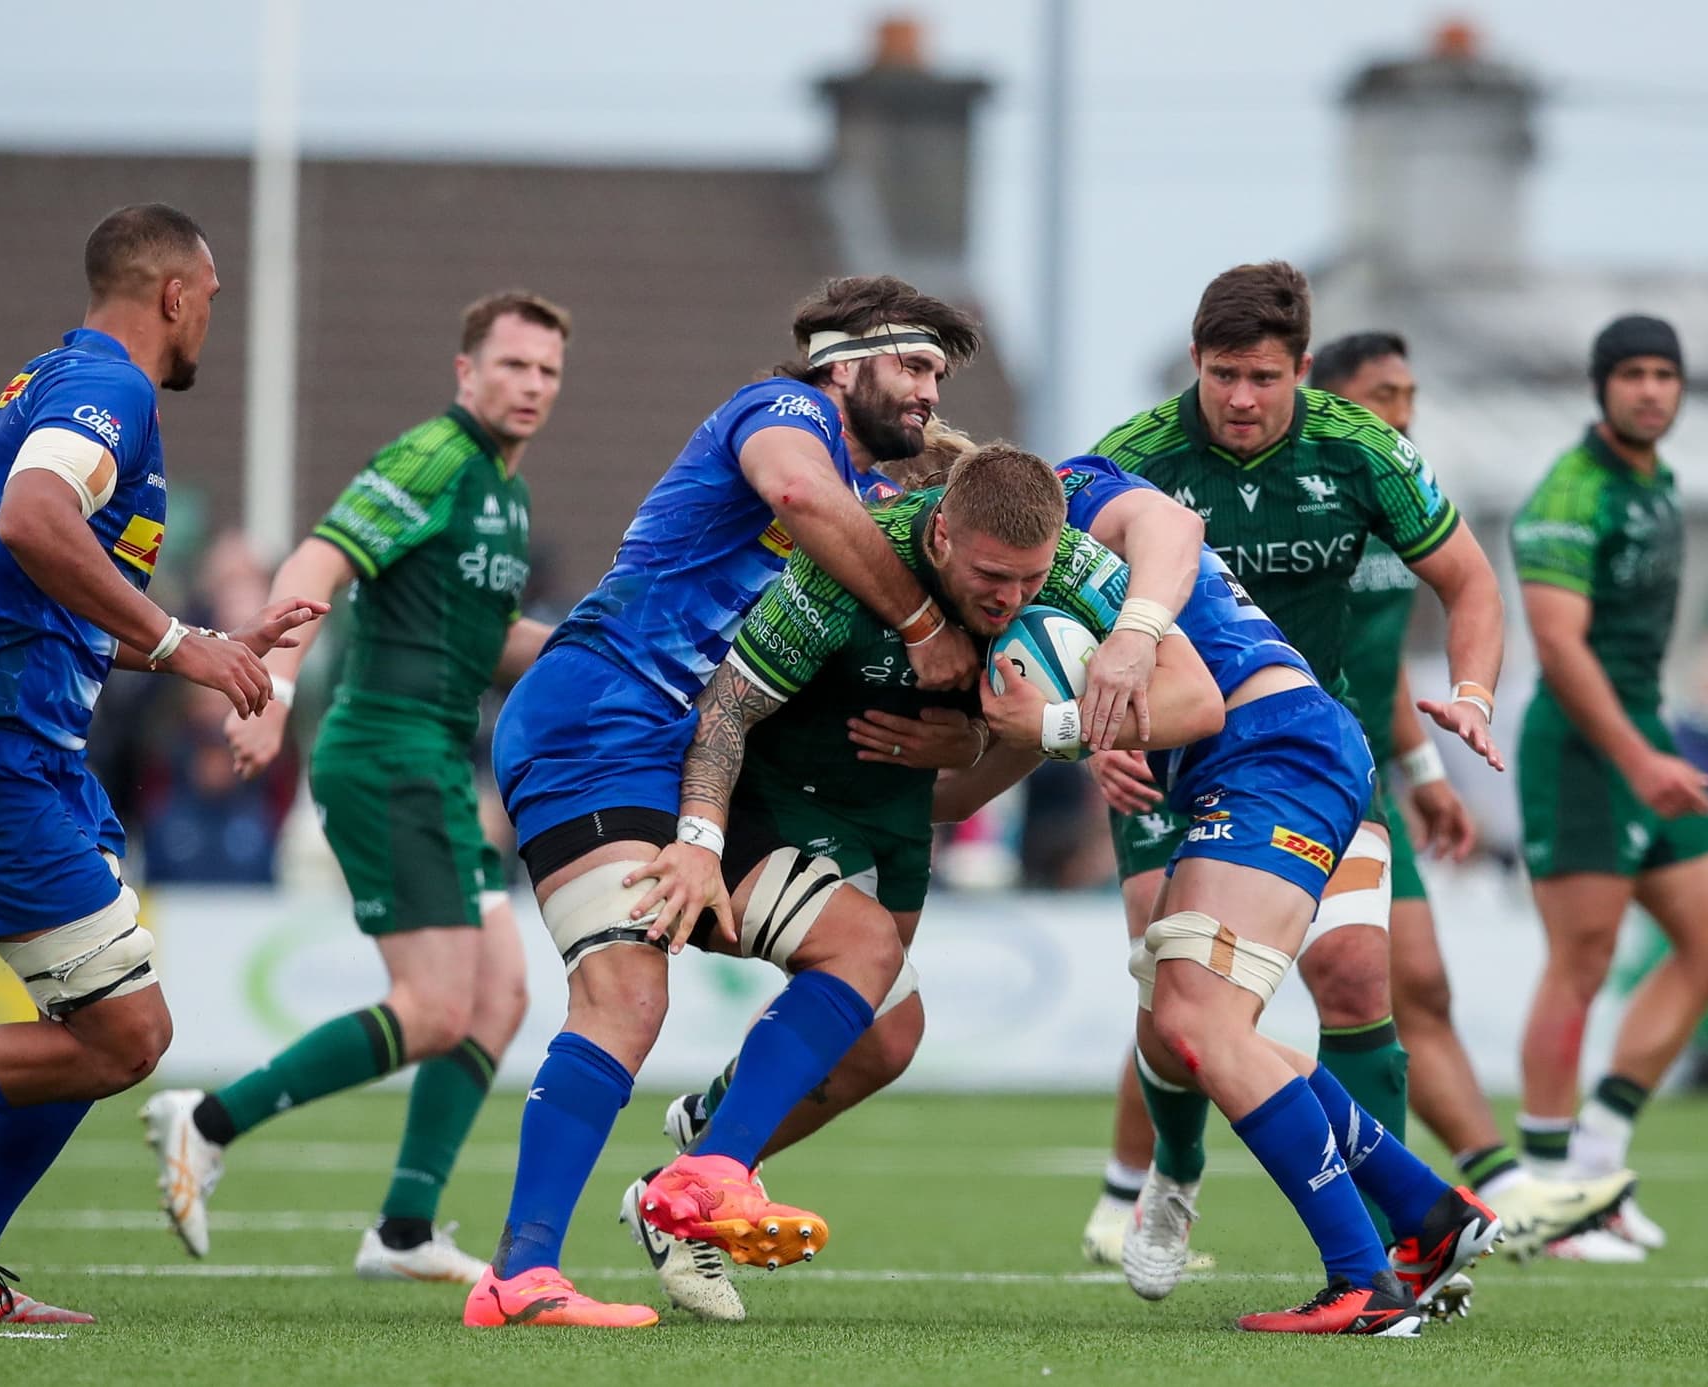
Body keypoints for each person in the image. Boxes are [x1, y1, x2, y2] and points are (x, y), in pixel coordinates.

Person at [461, 275, 1003, 1330]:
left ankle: (704, 1173)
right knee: (628, 998)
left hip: (682, 759)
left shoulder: (877, 498)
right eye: (917, 365)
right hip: (596, 724)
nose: (932, 392)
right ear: (845, 363)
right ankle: (519, 1276)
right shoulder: (783, 413)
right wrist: (929, 632)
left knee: (867, 959)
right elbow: (801, 498)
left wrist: (992, 720)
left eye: (941, 373)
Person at [621, 440, 1224, 1321]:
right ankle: (704, 1194)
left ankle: (678, 1175)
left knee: (886, 1042)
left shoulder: (1074, 568)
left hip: (899, 812)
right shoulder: (845, 569)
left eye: (1030, 580)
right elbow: (728, 709)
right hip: (782, 798)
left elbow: (1197, 702)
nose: (1012, 600)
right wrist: (702, 840)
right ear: (940, 532)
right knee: (864, 971)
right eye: (992, 577)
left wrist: (1041, 725)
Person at [1080, 264, 1504, 1284]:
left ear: (1303, 370)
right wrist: (1103, 734)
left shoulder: (1365, 451)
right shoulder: (1131, 459)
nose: (1239, 397)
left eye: (1262, 377)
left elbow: (1470, 579)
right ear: (1195, 363)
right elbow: (1064, 606)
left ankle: (1398, 1249)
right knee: (1176, 1004)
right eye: (1222, 373)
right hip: (1164, 756)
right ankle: (1173, 1173)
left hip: (1309, 754)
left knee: (1358, 974)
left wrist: (1473, 696)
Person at [141, 291, 573, 1281]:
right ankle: (207, 1118)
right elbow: (317, 558)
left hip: (435, 760)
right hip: (384, 754)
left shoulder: (506, 493)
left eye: (547, 371)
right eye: (512, 365)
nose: (531, 385)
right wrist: (276, 684)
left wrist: (605, 657)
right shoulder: (433, 455)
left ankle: (405, 1228)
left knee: (499, 997)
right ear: (467, 373)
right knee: (432, 1009)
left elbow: (488, 641)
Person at [0, 204, 321, 1324]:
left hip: (18, 741)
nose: (210, 313)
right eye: (210, 294)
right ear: (174, 294)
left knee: (90, 1030)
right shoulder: (109, 386)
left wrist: (195, 648)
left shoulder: (54, 379)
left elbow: (37, 593)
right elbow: (30, 519)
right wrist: (178, 640)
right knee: (125, 1036)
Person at [1313, 333, 1634, 1266]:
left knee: (1412, 985)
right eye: (1383, 394)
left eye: (1412, 393)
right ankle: (1148, 1190)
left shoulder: (1404, 502)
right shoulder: (1296, 500)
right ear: (1324, 402)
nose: (1404, 413)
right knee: (1189, 1024)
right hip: (1259, 772)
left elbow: (1376, 675)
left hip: (1365, 778)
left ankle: (1487, 1194)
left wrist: (1424, 778)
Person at [1511, 314, 1708, 1260]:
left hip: (1643, 730)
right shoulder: (1570, 491)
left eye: (1665, 374)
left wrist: (1657, 741)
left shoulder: (1660, 482)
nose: (1651, 390)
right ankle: (1546, 1195)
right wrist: (1638, 758)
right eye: (1634, 374)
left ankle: (1601, 1158)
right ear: (1601, 386)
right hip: (1580, 747)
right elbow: (1560, 648)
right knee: (1582, 959)